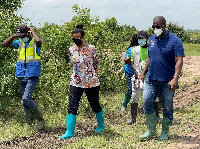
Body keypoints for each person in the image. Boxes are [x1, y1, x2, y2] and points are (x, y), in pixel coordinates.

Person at [139, 16, 184, 140]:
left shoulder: (175, 40)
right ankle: (151, 130)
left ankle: (165, 131)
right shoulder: (152, 39)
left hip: (167, 80)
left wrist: (175, 78)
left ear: (164, 25)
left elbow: (179, 60)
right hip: (151, 79)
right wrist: (143, 73)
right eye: (153, 26)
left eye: (157, 26)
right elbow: (150, 57)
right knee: (147, 101)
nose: (155, 29)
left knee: (167, 106)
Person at [59, 25, 105, 139]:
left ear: (83, 37)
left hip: (91, 82)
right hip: (76, 81)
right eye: (74, 39)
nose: (76, 41)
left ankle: (101, 125)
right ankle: (69, 132)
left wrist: (93, 75)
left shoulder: (91, 48)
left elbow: (96, 63)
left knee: (94, 104)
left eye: (78, 38)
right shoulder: (71, 49)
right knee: (72, 106)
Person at [2, 25, 45, 130]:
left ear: (28, 33)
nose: (21, 38)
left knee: (26, 98)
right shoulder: (19, 43)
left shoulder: (35, 43)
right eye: (19, 36)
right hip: (22, 74)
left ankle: (40, 120)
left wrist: (33, 32)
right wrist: (15, 35)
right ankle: (29, 123)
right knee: (25, 100)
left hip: (32, 75)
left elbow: (39, 41)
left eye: (22, 35)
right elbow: (4, 44)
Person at [126, 31, 161, 125]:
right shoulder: (135, 50)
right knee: (134, 98)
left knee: (154, 98)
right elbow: (132, 63)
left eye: (142, 39)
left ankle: (157, 116)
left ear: (147, 38)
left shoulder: (152, 49)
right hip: (138, 78)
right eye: (139, 39)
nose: (141, 41)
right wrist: (138, 75)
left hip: (150, 78)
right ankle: (133, 119)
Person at [121, 34, 138, 111]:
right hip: (130, 72)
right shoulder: (131, 49)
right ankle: (124, 105)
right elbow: (126, 61)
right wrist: (135, 54)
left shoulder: (144, 49)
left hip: (140, 72)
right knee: (131, 90)